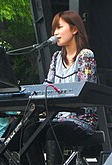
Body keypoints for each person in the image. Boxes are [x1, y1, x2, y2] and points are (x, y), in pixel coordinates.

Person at [22, 10, 98, 165]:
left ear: (74, 29)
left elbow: (84, 91)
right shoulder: (56, 57)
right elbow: (48, 86)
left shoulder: (85, 55)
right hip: (57, 118)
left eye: (60, 27)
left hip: (81, 119)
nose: (55, 33)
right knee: (29, 131)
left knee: (53, 132)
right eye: (54, 29)